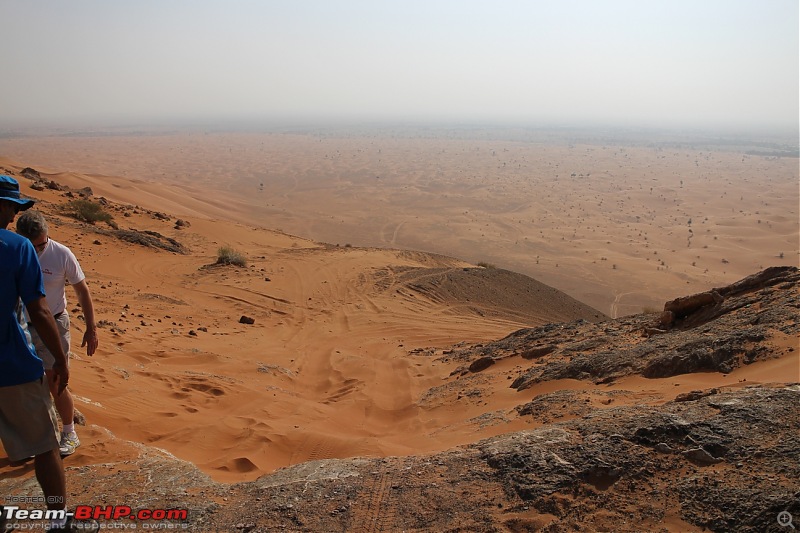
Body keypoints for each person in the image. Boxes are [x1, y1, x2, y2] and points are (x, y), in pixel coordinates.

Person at [0, 175, 71, 530]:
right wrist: (60, 359)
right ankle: (58, 521)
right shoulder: (17, 247)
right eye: (12, 206)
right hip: (11, 364)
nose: (14, 216)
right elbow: (39, 310)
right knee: (45, 444)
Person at [16, 210, 99, 456]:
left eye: (41, 244)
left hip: (54, 323)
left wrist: (91, 328)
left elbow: (82, 290)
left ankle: (69, 432)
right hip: (22, 325)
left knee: (56, 381)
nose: (38, 250)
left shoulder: (61, 254)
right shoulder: (15, 252)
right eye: (32, 246)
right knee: (26, 384)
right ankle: (35, 437)